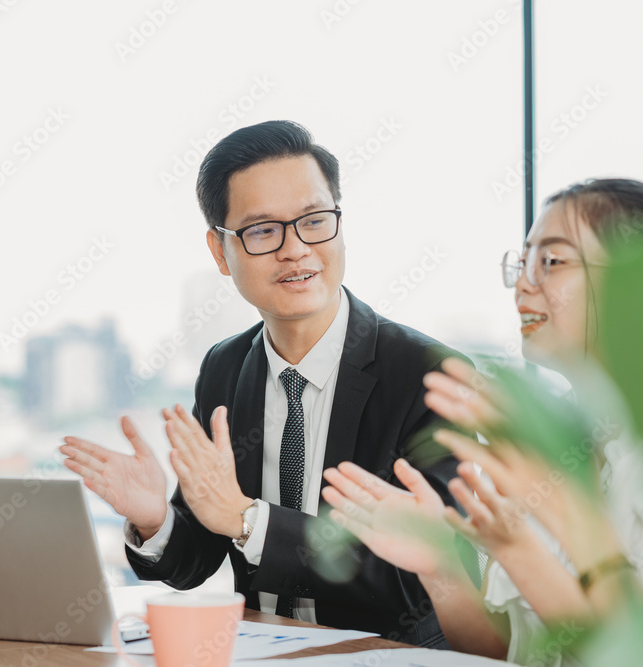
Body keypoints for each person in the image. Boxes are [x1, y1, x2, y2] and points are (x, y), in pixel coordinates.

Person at [324, 177, 643, 664]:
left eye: (551, 262)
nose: (523, 283)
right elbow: (504, 648)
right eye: (523, 262)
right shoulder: (543, 447)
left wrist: (539, 537)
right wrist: (441, 566)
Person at [61, 121, 472, 646]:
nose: (296, 248)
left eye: (314, 221)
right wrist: (156, 517)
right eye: (262, 231)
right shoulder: (226, 367)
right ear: (219, 251)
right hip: (263, 651)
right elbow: (200, 556)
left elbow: (426, 580)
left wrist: (247, 518)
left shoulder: (430, 375)